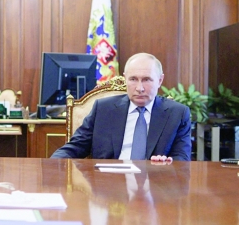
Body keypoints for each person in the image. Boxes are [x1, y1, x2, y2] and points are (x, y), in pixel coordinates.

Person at [51, 52, 192, 162]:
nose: (139, 88)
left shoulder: (177, 114)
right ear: (125, 78)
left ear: (160, 80)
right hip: (107, 187)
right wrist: (52, 165)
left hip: (154, 187)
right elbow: (75, 148)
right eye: (133, 79)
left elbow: (182, 158)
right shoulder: (103, 109)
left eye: (147, 79)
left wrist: (168, 163)